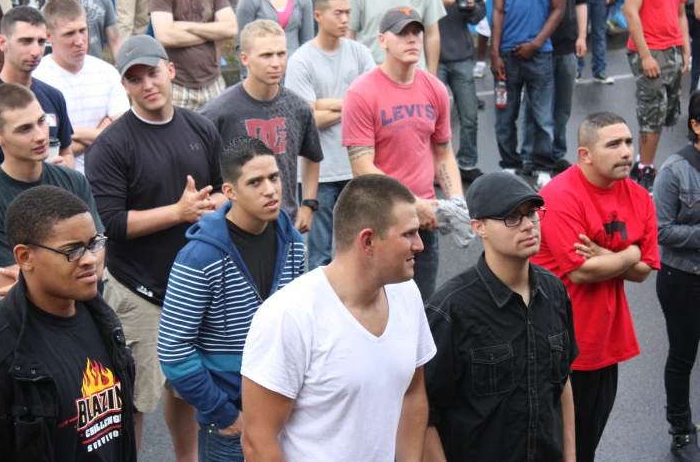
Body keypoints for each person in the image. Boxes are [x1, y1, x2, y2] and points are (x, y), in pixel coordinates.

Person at [84, 35, 227, 460]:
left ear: (171, 70)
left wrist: (213, 204)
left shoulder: (200, 126)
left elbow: (224, 192)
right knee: (134, 398)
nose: (147, 84)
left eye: (152, 72)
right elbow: (109, 223)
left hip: (195, 288)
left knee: (187, 389)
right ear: (124, 87)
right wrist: (179, 212)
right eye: (135, 78)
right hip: (139, 292)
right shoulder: (110, 146)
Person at [240, 174, 436, 461]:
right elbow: (258, 441)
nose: (420, 244)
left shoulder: (407, 293)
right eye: (408, 234)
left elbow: (413, 394)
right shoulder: (288, 315)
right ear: (367, 241)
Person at [0, 186, 137, 462]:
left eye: (94, 244)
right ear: (24, 257)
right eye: (73, 251)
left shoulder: (103, 321)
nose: (91, 259)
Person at [158, 136, 306, 461]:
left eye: (274, 177)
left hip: (285, 414)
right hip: (230, 425)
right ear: (230, 191)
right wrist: (225, 415)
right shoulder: (198, 257)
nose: (270, 189)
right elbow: (173, 351)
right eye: (255, 182)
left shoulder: (292, 241)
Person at [531, 112, 660, 462]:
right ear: (585, 155)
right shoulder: (559, 196)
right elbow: (581, 272)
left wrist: (607, 255)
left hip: (606, 340)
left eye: (629, 142)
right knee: (558, 446)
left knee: (587, 440)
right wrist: (629, 252)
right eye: (614, 144)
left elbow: (645, 271)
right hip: (560, 341)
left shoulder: (639, 197)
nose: (627, 152)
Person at [423, 172, 578, 462]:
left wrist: (570, 457)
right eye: (512, 217)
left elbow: (563, 381)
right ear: (478, 227)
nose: (529, 225)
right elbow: (425, 412)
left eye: (531, 213)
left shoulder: (554, 290)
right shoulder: (449, 310)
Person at [341, 7, 464, 301]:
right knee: (376, 305)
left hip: (424, 220)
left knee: (421, 305)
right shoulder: (361, 93)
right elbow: (362, 166)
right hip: (380, 219)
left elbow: (443, 153)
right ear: (383, 40)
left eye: (416, 32)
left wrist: (457, 200)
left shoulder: (435, 88)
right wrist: (411, 203)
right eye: (402, 33)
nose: (412, 40)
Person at [0, 82, 104, 313]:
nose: (41, 136)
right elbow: (11, 285)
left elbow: (96, 267)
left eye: (42, 122)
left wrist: (38, 279)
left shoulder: (73, 180)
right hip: (22, 334)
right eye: (25, 129)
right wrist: (75, 273)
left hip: (82, 321)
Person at [200, 20, 323, 229]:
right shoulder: (217, 113)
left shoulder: (298, 107)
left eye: (281, 53)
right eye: (266, 55)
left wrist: (308, 205)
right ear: (245, 58)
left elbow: (312, 156)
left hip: (286, 224)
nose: (276, 63)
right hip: (236, 228)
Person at [285, 0, 375, 270]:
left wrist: (325, 104)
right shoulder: (301, 61)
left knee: (362, 250)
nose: (346, 19)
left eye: (348, 13)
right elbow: (307, 119)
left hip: (358, 167)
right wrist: (352, 104)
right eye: (338, 13)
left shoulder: (359, 52)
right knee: (320, 256)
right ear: (318, 15)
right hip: (320, 173)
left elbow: (373, 103)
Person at [0, 6, 75, 179]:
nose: (36, 51)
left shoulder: (54, 96)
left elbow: (67, 152)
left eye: (41, 42)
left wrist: (63, 169)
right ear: (2, 43)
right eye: (26, 41)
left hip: (51, 201)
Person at [489, 0, 567, 189]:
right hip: (507, 56)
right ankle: (510, 164)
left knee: (542, 116)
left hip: (540, 55)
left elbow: (558, 10)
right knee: (505, 115)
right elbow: (498, 11)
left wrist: (535, 43)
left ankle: (543, 165)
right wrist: (494, 53)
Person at [652, 92, 700, 462]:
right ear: (696, 126)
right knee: (683, 356)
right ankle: (681, 430)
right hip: (683, 279)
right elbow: (662, 231)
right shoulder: (674, 170)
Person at [623, 0, 690, 193]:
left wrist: (686, 49)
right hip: (650, 51)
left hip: (673, 50)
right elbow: (630, 12)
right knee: (652, 113)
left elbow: (681, 13)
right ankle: (645, 171)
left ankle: (642, 162)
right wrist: (645, 56)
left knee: (665, 114)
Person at [33, 0, 129, 175]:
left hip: (107, 180)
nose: (79, 41)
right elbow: (43, 144)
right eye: (69, 34)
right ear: (48, 36)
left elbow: (124, 133)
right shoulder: (36, 78)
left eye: (83, 30)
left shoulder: (107, 73)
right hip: (60, 182)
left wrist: (68, 133)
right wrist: (102, 130)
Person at [522, 0, 589, 175]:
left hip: (567, 45)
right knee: (535, 106)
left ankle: (556, 153)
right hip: (539, 46)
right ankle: (529, 154)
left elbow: (581, 1)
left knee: (562, 106)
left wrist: (581, 36)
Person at [422, 0, 486, 183]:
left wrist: (470, 7)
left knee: (469, 116)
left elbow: (480, 12)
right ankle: (433, 168)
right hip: (433, 60)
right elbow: (414, 14)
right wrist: (439, 3)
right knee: (432, 121)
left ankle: (467, 163)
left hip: (461, 56)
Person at [150, 0, 238, 111]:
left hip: (213, 82)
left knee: (217, 137)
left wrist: (186, 26)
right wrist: (212, 32)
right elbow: (165, 36)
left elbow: (231, 28)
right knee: (177, 137)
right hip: (178, 84)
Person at [675, 0, 700, 92]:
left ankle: (695, 105)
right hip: (680, 8)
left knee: (698, 62)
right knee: (676, 62)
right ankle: (672, 103)